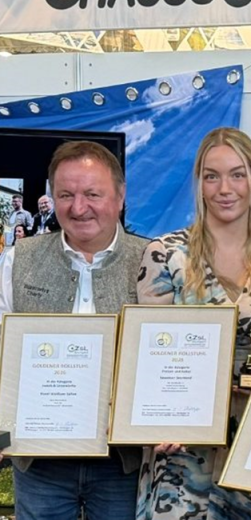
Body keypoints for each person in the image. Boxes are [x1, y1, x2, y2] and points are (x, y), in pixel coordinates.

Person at [135, 128, 251, 520]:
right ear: (199, 183)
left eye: (237, 174)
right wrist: (153, 422)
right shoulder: (165, 255)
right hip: (180, 459)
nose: (225, 189)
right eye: (212, 176)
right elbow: (147, 360)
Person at [0, 141, 149, 520]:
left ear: (120, 196)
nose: (79, 208)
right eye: (66, 195)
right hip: (39, 462)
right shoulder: (18, 259)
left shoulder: (153, 261)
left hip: (124, 462)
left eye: (92, 194)